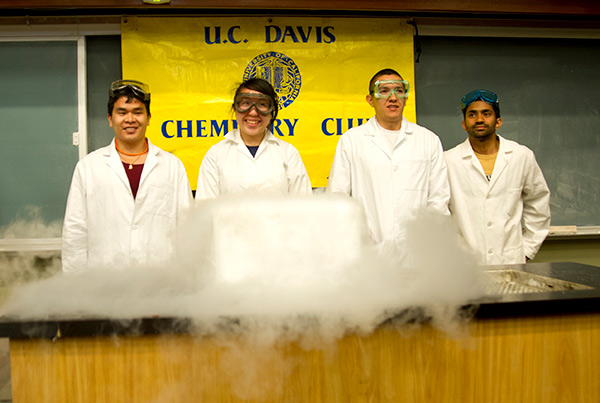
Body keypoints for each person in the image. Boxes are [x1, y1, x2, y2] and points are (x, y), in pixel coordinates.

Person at [62, 79, 193, 273]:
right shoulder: (88, 167)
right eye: (122, 112)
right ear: (109, 119)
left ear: (148, 118)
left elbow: (186, 227)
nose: (130, 119)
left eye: (138, 112)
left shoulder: (172, 166)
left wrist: (187, 281)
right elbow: (75, 232)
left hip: (160, 281)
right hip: (104, 281)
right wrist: (75, 289)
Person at [327, 68, 450, 252]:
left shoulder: (428, 140)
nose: (393, 97)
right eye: (383, 91)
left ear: (406, 98)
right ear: (370, 100)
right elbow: (338, 198)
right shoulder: (352, 140)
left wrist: (426, 241)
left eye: (399, 91)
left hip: (420, 254)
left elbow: (439, 201)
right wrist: (359, 239)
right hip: (368, 254)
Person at [444, 89, 551, 265]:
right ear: (464, 124)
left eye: (486, 113)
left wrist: (527, 249)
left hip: (511, 260)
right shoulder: (448, 161)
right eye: (472, 114)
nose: (479, 119)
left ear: (498, 121)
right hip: (464, 265)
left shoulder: (520, 156)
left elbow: (538, 203)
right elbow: (440, 213)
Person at [195, 78, 312, 199]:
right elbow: (205, 209)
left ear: (271, 111)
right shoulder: (216, 154)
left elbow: (303, 207)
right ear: (235, 109)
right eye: (245, 103)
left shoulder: (288, 153)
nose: (253, 112)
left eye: (262, 104)